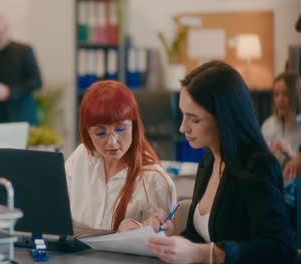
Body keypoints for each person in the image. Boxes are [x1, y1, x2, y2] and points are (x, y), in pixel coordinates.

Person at [140, 61, 296, 263]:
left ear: (224, 119)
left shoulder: (257, 167)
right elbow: (198, 237)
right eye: (183, 115)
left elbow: (281, 249)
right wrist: (170, 237)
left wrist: (204, 254)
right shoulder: (208, 162)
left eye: (194, 119)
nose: (182, 127)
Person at [65, 80, 176, 231]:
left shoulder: (154, 180)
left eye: (121, 129)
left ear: (134, 126)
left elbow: (163, 243)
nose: (112, 142)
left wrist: (139, 231)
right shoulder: (81, 157)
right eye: (100, 133)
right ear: (87, 131)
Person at [0, 11, 42, 125]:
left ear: (6, 29)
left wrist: (10, 92)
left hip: (23, 119)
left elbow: (37, 82)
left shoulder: (23, 51)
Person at [261, 72, 301, 224]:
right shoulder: (268, 125)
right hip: (271, 189)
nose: (280, 100)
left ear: (296, 94)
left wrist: (290, 153)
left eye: (285, 94)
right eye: (276, 94)